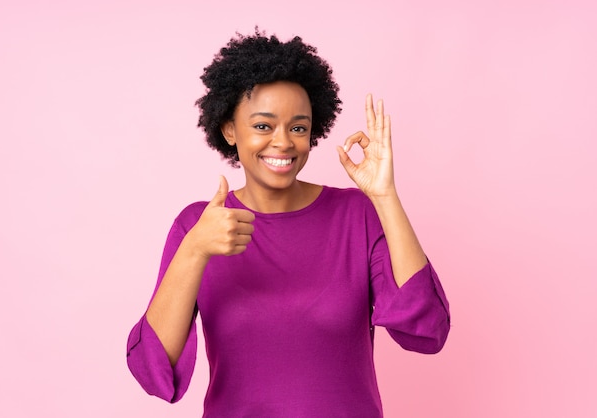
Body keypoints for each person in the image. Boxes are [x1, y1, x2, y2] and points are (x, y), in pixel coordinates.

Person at [126, 29, 450, 417]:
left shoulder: (356, 216)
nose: (283, 142)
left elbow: (427, 330)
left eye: (298, 127)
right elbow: (151, 369)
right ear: (230, 129)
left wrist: (384, 197)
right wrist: (195, 251)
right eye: (263, 126)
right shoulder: (199, 226)